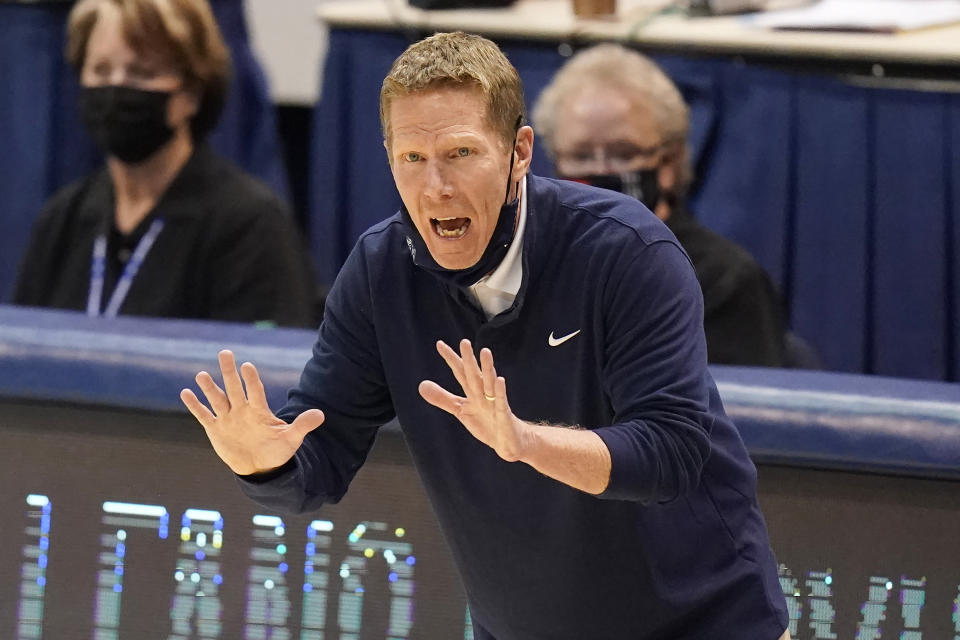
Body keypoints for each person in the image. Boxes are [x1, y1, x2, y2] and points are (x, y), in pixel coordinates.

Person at [181, 32, 791, 639]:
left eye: (461, 153)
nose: (435, 187)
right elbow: (318, 459)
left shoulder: (626, 252)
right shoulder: (379, 273)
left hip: (705, 624)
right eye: (411, 160)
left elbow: (672, 454)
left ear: (519, 152)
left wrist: (526, 443)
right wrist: (264, 464)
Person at [12, 0, 317, 327]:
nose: (117, 88)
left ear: (191, 93)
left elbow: (264, 366)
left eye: (141, 73)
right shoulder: (63, 219)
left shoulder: (250, 225)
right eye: (101, 70)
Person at [533, 44, 790, 367]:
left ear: (668, 163)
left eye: (623, 153)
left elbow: (734, 411)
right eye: (581, 156)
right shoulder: (535, 268)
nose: (600, 171)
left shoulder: (724, 280)